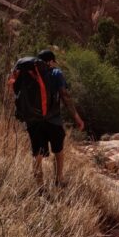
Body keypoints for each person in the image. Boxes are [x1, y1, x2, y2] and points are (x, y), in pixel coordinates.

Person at [24, 49, 84, 186]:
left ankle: (39, 186)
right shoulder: (56, 73)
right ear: (50, 61)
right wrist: (77, 117)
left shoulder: (29, 74)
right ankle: (59, 179)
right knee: (58, 150)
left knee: (37, 153)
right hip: (53, 120)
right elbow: (65, 96)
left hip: (33, 121)